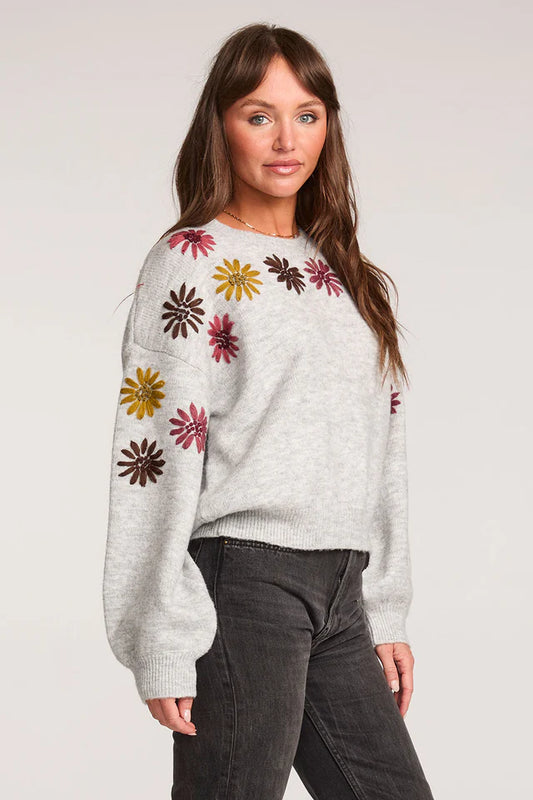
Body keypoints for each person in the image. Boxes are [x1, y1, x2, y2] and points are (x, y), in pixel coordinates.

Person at [102, 22, 435, 800]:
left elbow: (380, 449)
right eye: (259, 115)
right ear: (221, 125)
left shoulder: (347, 277)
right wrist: (159, 636)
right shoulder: (191, 260)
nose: (287, 139)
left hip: (342, 590)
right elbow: (153, 454)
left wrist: (385, 607)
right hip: (244, 585)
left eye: (306, 114)